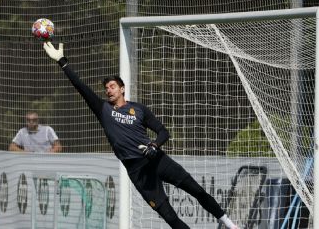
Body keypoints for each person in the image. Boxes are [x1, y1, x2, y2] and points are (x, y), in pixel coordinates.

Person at [43, 42, 238, 229]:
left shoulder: (138, 109)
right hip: (137, 170)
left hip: (157, 159)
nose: (108, 90)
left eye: (112, 86)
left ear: (122, 89)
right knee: (170, 217)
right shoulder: (103, 110)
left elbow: (163, 132)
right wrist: (63, 62)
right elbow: (81, 87)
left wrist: (154, 146)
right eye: (106, 88)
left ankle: (229, 224)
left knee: (196, 190)